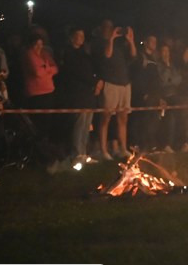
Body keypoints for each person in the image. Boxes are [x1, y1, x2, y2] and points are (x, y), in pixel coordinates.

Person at [92, 20, 136, 160]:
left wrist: (130, 40)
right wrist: (110, 39)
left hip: (124, 84)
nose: (110, 29)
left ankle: (123, 148)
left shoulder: (121, 45)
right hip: (111, 83)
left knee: (123, 118)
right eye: (107, 27)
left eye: (111, 27)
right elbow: (107, 55)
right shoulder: (99, 43)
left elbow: (133, 55)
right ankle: (103, 150)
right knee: (105, 118)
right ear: (102, 29)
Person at [57, 27, 100, 162]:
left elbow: (92, 68)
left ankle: (84, 152)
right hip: (77, 93)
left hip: (88, 93)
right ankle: (76, 153)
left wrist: (98, 81)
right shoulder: (69, 52)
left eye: (82, 35)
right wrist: (94, 81)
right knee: (79, 124)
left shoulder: (84, 53)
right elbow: (78, 72)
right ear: (71, 37)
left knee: (87, 124)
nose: (81, 38)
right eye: (78, 35)